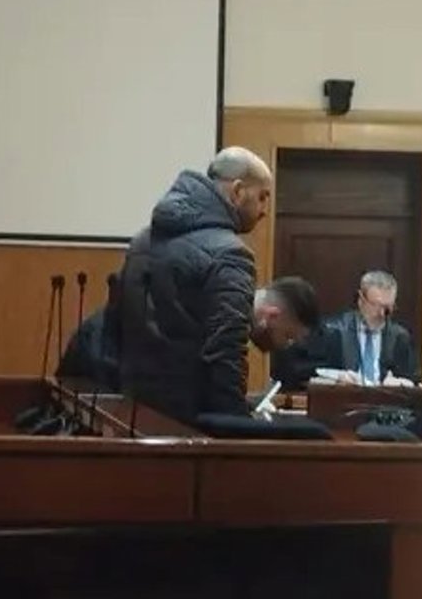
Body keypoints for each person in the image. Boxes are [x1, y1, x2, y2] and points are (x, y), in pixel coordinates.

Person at [120, 147, 319, 424]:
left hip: (131, 410)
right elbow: (225, 353)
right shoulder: (230, 254)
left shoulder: (142, 240)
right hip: (191, 419)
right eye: (262, 197)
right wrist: (237, 425)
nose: (264, 210)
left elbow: (120, 325)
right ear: (237, 191)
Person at [274, 269, 422, 389]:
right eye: (376, 306)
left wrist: (402, 384)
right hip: (341, 406)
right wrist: (335, 378)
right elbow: (293, 370)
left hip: (385, 409)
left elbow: (413, 381)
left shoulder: (399, 338)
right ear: (360, 300)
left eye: (388, 308)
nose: (382, 314)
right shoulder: (332, 331)